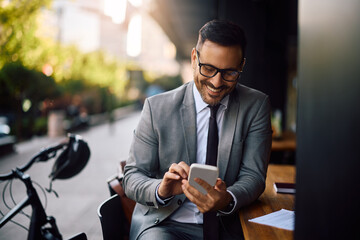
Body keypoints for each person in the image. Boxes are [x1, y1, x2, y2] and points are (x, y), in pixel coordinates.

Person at [123, 19, 272, 240]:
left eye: (229, 72)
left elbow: (254, 175)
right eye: (208, 68)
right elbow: (132, 177)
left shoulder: (256, 106)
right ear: (194, 58)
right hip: (164, 225)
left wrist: (227, 199)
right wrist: (161, 190)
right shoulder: (156, 108)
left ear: (241, 66)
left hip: (227, 226)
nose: (217, 82)